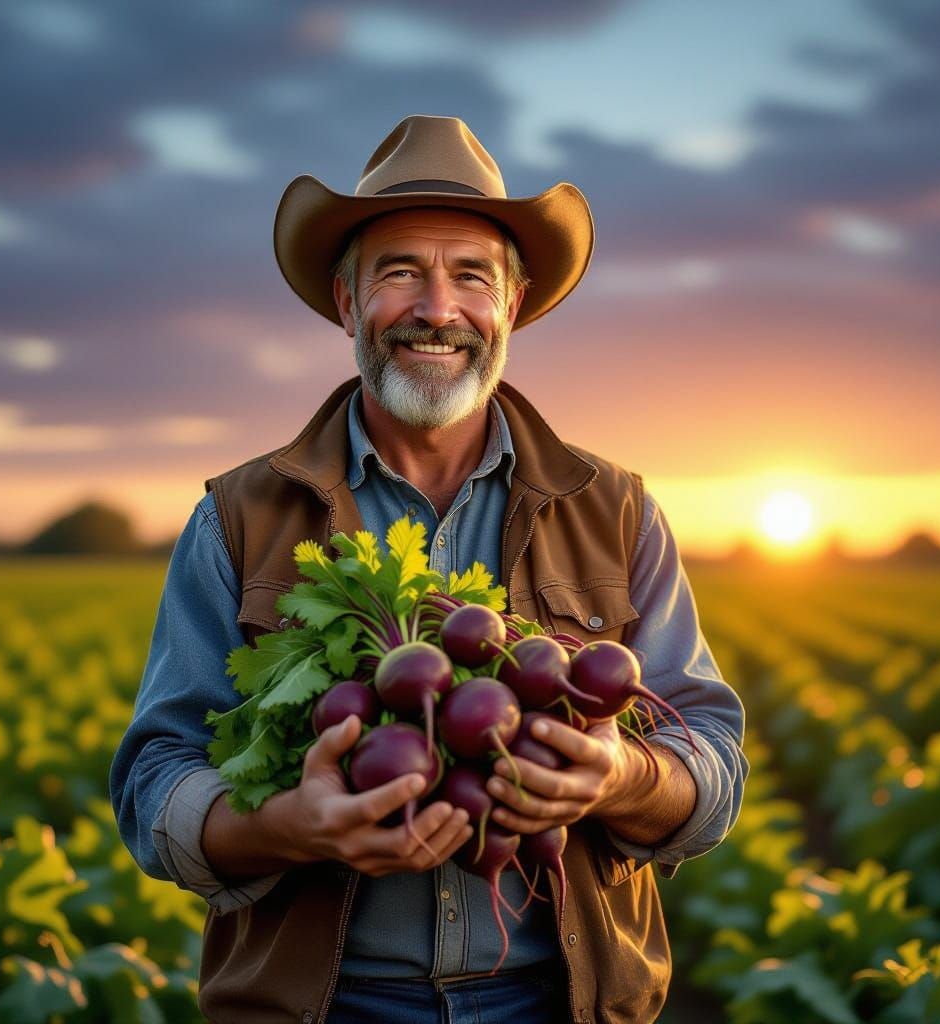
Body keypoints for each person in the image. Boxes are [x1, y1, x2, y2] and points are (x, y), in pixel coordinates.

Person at [110, 115, 747, 1024]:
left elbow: (714, 766)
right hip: (320, 1007)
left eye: (471, 276)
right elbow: (153, 782)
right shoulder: (237, 517)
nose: (437, 309)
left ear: (513, 306)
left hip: (562, 1003)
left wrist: (622, 778)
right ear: (345, 301)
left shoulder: (616, 509)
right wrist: (284, 826)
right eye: (400, 271)